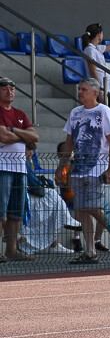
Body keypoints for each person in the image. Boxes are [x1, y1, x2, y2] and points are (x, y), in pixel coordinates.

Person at [62, 78, 110, 264]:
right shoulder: (75, 113)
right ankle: (90, 251)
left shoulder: (104, 111)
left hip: (96, 167)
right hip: (78, 168)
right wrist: (62, 165)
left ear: (94, 93)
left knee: (91, 206)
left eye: (84, 89)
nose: (80, 92)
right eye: (79, 89)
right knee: (82, 210)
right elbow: (69, 140)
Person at [0, 77, 38, 262]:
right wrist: (24, 136)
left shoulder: (20, 113)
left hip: (19, 167)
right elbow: (3, 137)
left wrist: (13, 129)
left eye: (12, 88)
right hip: (2, 166)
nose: (10, 91)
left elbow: (35, 136)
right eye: (5, 88)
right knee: (1, 209)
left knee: (16, 210)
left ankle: (12, 249)